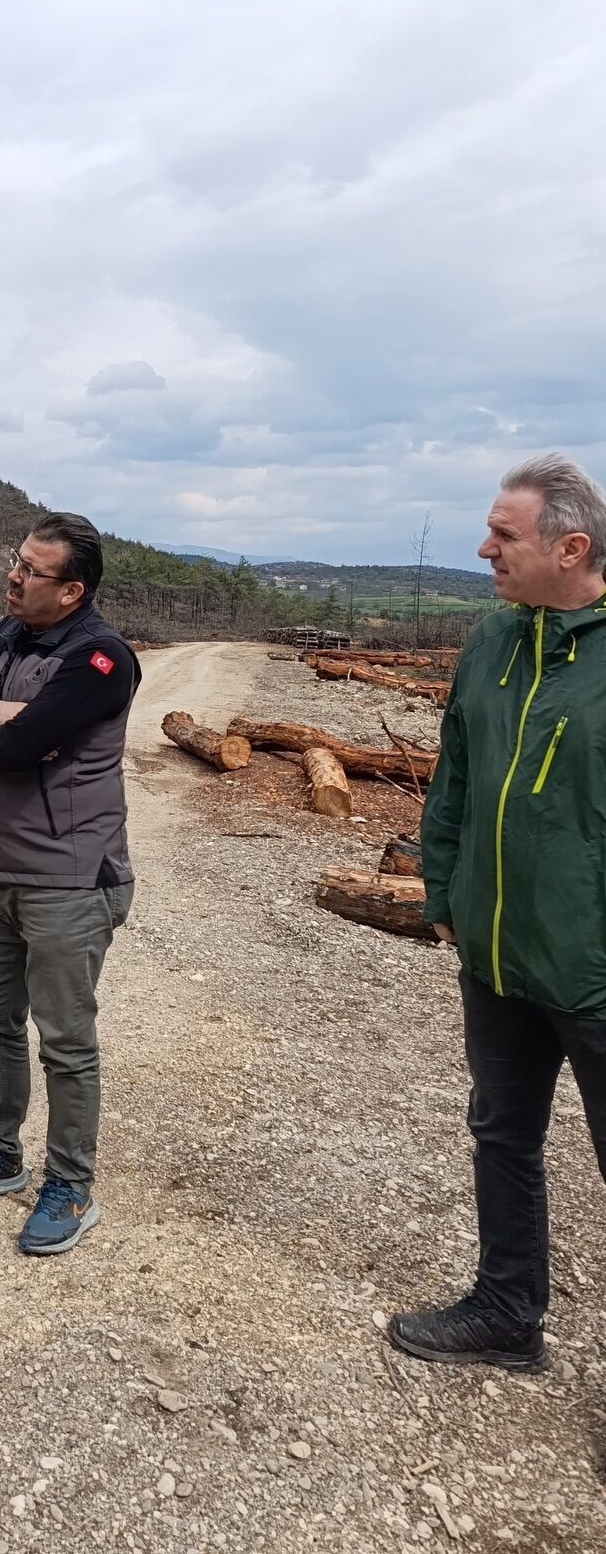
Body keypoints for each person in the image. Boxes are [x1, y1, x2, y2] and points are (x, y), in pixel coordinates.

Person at [390, 454, 606, 1372]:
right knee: (503, 1137)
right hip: (497, 957)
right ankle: (509, 1314)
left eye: (503, 535)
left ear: (572, 546)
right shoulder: (493, 643)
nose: (485, 549)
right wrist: (446, 897)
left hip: (593, 972)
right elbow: (457, 779)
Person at [0, 512, 139, 1255]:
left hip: (71, 881)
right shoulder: (11, 634)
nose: (13, 576)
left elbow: (13, 751)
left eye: (32, 570)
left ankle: (71, 1184)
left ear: (73, 589)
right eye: (16, 561)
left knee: (65, 1039)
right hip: (0, 874)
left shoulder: (102, 658)